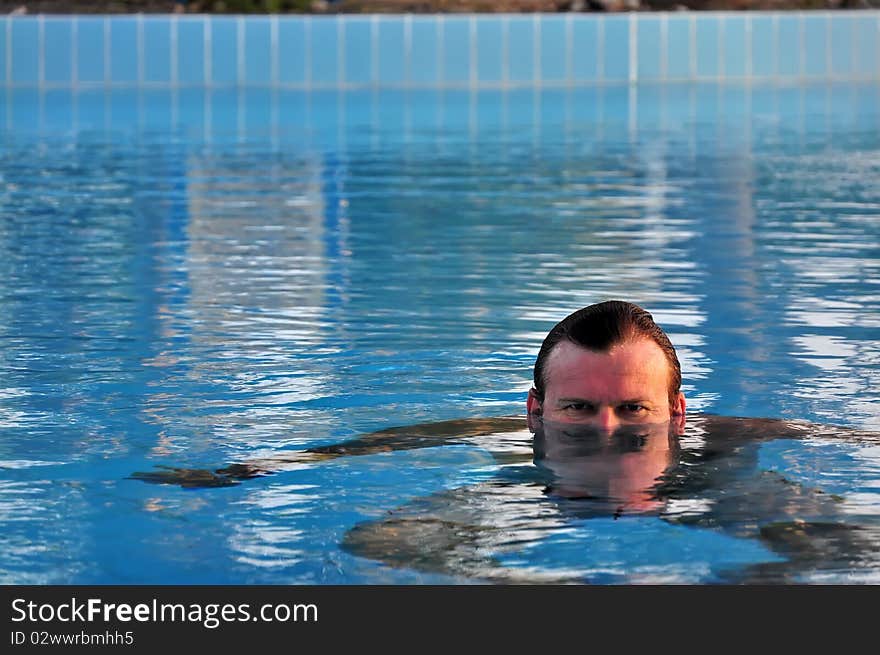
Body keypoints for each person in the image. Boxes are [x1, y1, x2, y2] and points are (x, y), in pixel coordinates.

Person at [130, 301, 880, 582]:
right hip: (541, 502)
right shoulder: (516, 444)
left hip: (701, 497)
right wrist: (257, 467)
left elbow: (829, 430)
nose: (608, 429)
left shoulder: (719, 441)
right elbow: (397, 440)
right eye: (579, 407)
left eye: (633, 407)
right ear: (536, 408)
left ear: (678, 412)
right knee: (383, 543)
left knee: (848, 545)